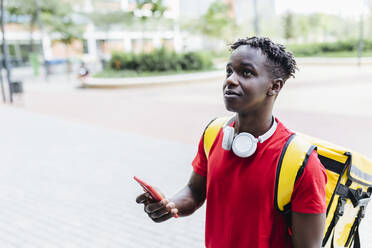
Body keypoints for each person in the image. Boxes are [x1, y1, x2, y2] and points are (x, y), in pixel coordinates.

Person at [136, 37, 327, 248]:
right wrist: (169, 205)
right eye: (229, 71)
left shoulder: (302, 162)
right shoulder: (214, 132)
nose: (230, 80)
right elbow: (195, 190)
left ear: (274, 86)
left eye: (246, 73)